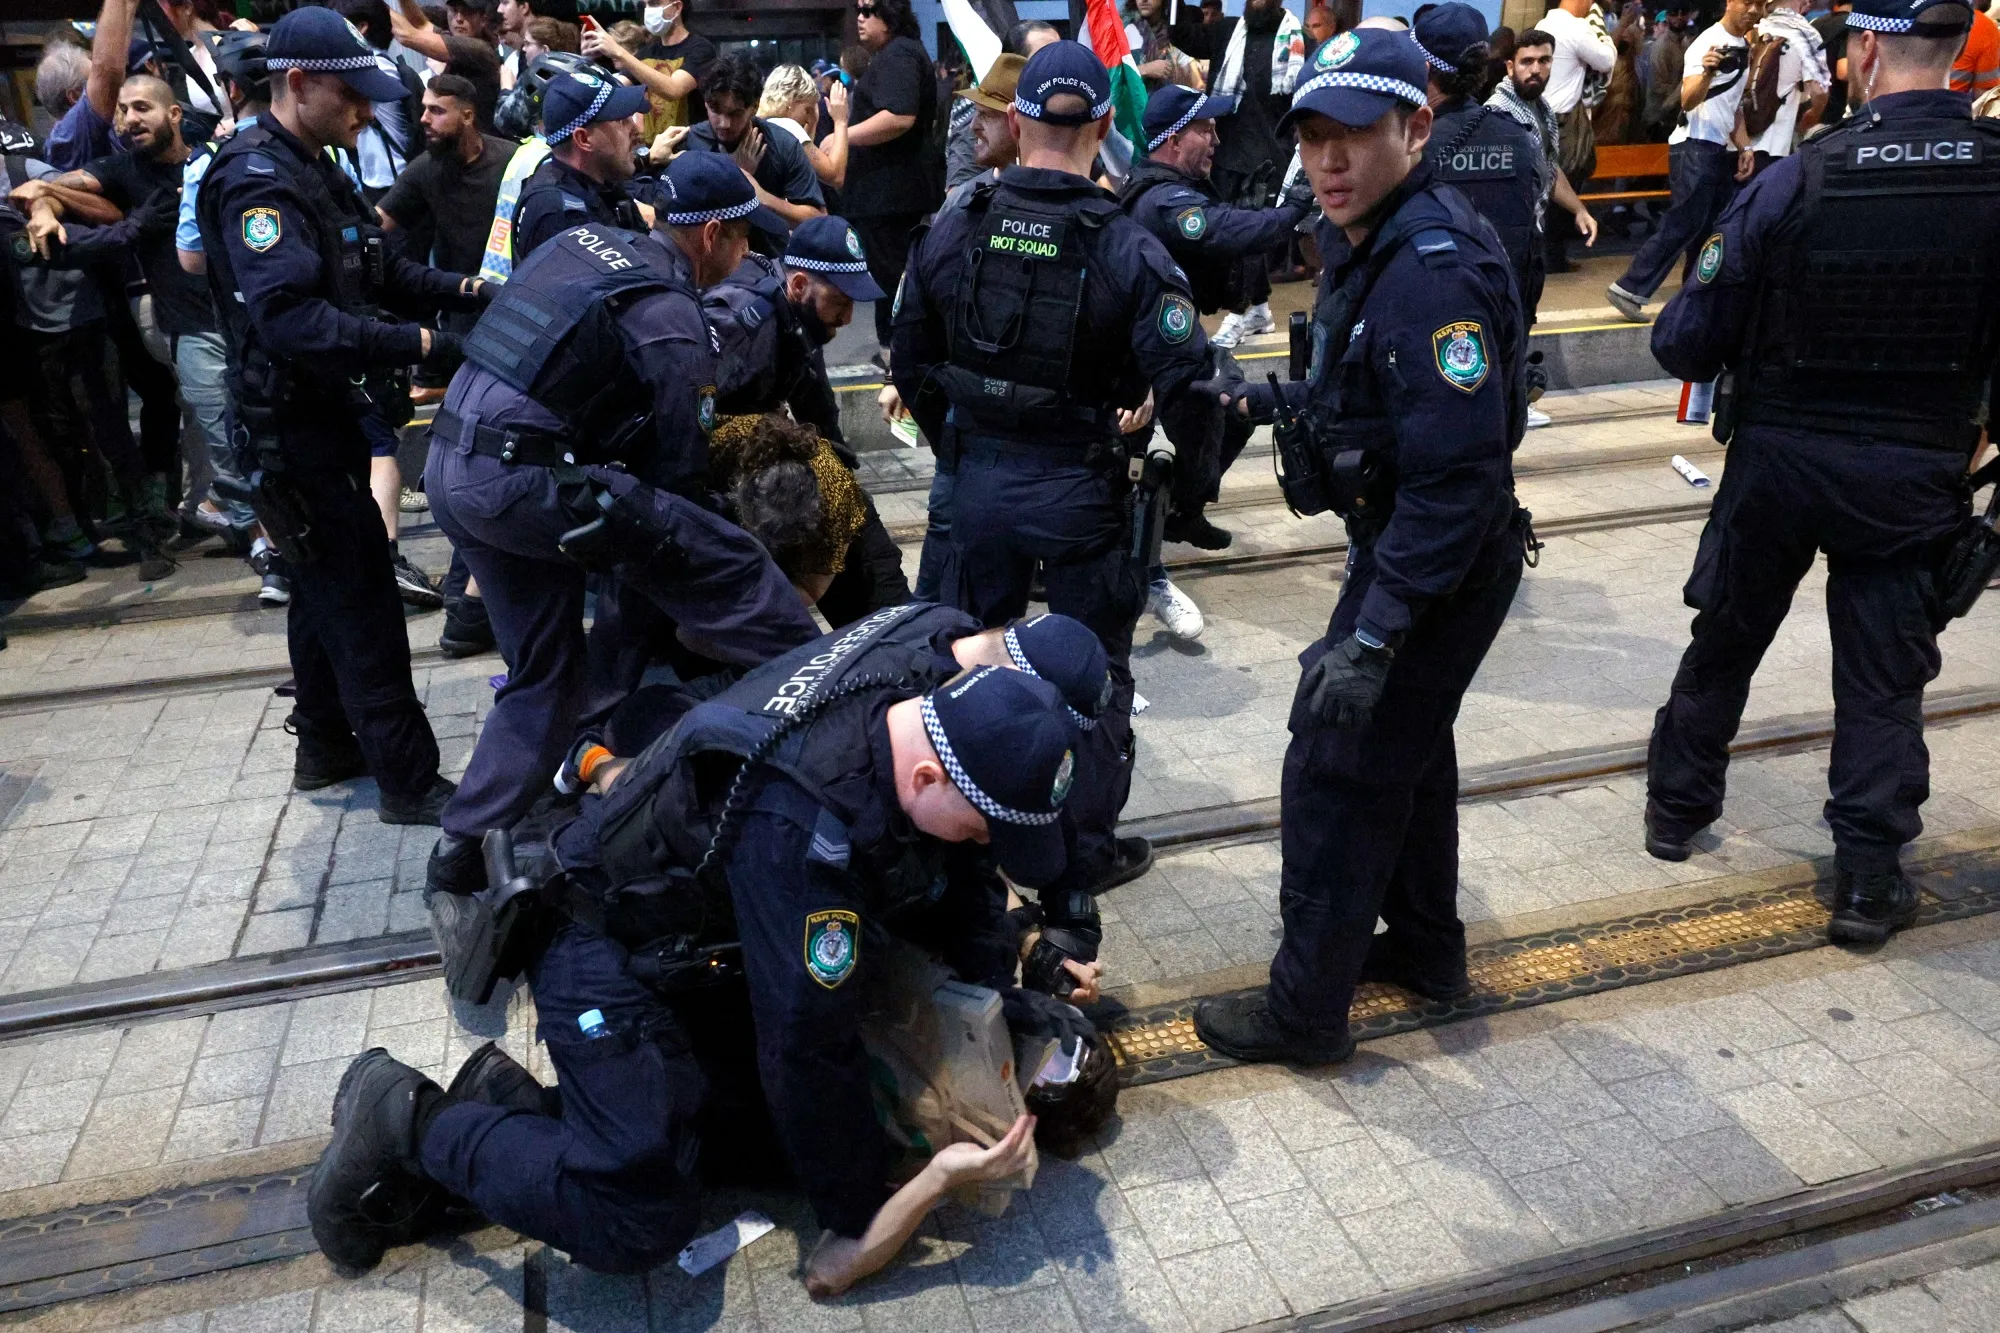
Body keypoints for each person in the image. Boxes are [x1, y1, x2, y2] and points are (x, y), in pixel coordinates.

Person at [311, 640, 1089, 1283]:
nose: (985, 846)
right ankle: (408, 1119)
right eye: (982, 825)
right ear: (927, 776)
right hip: (596, 939)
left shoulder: (920, 664)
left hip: (692, 925)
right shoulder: (806, 842)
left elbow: (960, 882)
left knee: (741, 1137)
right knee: (638, 1215)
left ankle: (518, 1111)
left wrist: (999, 984)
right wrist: (870, 1210)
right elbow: (805, 1049)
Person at [1191, 28, 1527, 1064]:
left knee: (1336, 766)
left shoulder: (1427, 270)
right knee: (1409, 755)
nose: (1325, 164)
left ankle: (1304, 1013)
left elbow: (1455, 476)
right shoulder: (1376, 237)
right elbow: (1376, 396)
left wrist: (1374, 634)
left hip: (1430, 562)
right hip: (1419, 547)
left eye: (1351, 137)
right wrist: (1270, 399)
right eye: (1310, 138)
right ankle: (1427, 949)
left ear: (1414, 125)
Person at [1641, 0, 2000, 947]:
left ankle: (1676, 813)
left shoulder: (1799, 180)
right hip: (1915, 474)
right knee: (1883, 681)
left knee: (1728, 636)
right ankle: (1868, 881)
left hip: (1781, 463)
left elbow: (1685, 340)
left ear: (1866, 53)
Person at [893, 41, 1233, 934]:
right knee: (1090, 679)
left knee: (960, 657)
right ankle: (1078, 860)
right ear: (1108, 126)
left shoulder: (956, 221)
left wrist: (958, 453)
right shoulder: (1128, 244)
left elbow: (910, 357)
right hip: (1080, 494)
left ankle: (958, 838)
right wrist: (1187, 483)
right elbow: (1189, 381)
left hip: (977, 485)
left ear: (1015, 123)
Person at [423, 150, 821, 899]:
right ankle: (836, 697)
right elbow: (677, 474)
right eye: (742, 240)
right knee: (728, 562)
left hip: (453, 466)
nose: (745, 259)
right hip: (521, 478)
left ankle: (462, 844)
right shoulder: (673, 317)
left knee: (547, 670)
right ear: (711, 238)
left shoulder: (579, 246)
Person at [196, 6, 486, 823]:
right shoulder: (257, 179)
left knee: (324, 589)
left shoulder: (314, 164)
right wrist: (426, 345)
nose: (366, 112)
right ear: (298, 83)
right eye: (352, 97)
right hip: (293, 430)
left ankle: (324, 745)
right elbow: (292, 320)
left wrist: (473, 294)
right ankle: (408, 780)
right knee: (359, 592)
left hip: (320, 419)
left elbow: (378, 265)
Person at [1121, 82, 1313, 639]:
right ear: (1174, 140)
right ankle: (1147, 560)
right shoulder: (1162, 200)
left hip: (1177, 349)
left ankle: (1184, 509)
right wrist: (1297, 207)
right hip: (1141, 363)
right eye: (1204, 129)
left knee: (1235, 401)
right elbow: (1227, 231)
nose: (1215, 139)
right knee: (1138, 465)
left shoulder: (1181, 187)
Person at [703, 215, 911, 627]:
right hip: (730, 496)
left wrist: (840, 467)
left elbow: (815, 400)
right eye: (841, 302)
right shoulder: (741, 332)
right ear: (799, 285)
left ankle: (896, 641)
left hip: (774, 479)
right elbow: (689, 430)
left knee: (869, 557)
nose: (848, 318)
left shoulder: (798, 317)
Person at [174, 28, 279, 601]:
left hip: (243, 332)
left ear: (231, 89)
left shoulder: (210, 162)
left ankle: (276, 549)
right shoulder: (321, 147)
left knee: (254, 444)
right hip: (315, 330)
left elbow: (191, 259)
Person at [1170, 0, 1311, 348]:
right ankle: (1260, 308)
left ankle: (1241, 311)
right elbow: (1181, 34)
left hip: (1271, 160)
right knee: (1233, 241)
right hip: (1225, 154)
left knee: (1248, 239)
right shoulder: (1226, 31)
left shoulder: (1301, 40)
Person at [1606, 0, 1756, 321]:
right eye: (1748, 2)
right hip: (1693, 145)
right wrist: (1707, 72)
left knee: (1712, 228)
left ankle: (1695, 295)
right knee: (1685, 222)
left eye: (1761, 4)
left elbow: (1734, 106)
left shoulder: (1744, 47)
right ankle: (1630, 287)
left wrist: (1745, 148)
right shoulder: (1706, 43)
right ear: (1730, 2)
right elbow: (1687, 100)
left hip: (1714, 147)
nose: (1754, 10)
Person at [845, 0, 940, 363]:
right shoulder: (896, 54)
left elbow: (899, 116)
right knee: (891, 279)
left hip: (891, 195)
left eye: (869, 10)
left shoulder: (899, 53)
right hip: (887, 194)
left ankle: (900, 357)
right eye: (858, 10)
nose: (860, 18)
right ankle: (897, 354)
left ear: (891, 15)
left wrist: (843, 134)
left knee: (894, 279)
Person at [674, 52, 827, 254]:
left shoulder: (782, 144)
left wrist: (761, 197)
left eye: (735, 113)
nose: (724, 123)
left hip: (770, 262)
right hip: (705, 266)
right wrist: (734, 176)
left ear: (754, 107)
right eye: (715, 110)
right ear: (705, 103)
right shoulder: (686, 141)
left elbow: (818, 220)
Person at [511, 69, 651, 262]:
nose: (636, 130)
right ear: (584, 139)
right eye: (621, 121)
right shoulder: (559, 215)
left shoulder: (601, 183)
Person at [587, 0, 715, 144]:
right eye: (646, 5)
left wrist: (619, 52)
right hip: (653, 148)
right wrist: (588, 61)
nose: (648, 10)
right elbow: (613, 88)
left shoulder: (700, 48)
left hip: (688, 147)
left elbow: (673, 89)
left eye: (654, 4)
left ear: (677, 7)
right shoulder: (647, 52)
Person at [1744, 0, 1830, 173]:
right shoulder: (1805, 34)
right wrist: (1813, 114)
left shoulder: (1750, 31)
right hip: (1774, 146)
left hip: (1737, 144)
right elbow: (1819, 90)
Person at [759, 63, 851, 191]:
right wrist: (840, 120)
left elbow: (805, 164)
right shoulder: (787, 126)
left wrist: (812, 123)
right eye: (807, 110)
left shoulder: (761, 123)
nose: (808, 118)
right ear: (791, 100)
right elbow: (835, 176)